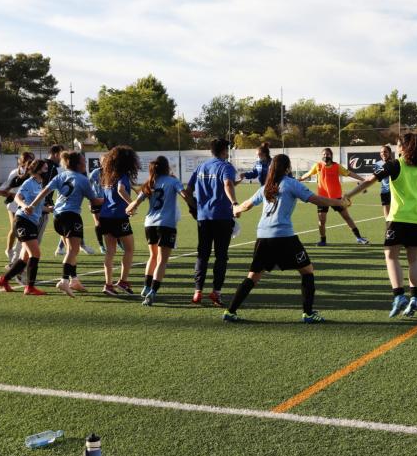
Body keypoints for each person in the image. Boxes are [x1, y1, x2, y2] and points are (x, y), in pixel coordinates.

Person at [225, 154, 349, 323]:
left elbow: (247, 204)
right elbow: (315, 199)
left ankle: (230, 311)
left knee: (252, 277)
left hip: (263, 237)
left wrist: (236, 209)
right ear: (287, 168)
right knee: (307, 271)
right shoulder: (291, 184)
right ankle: (308, 313)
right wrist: (338, 203)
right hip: (284, 237)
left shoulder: (266, 186)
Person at [346, 133, 417, 318]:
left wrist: (349, 195)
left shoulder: (396, 164)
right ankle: (415, 298)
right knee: (415, 259)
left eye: (397, 144)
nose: (396, 147)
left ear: (403, 147)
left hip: (398, 219)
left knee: (391, 256)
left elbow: (369, 180)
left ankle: (399, 295)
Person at [26, 151, 102, 297]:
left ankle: (74, 280)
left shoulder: (61, 175)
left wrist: (32, 205)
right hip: (71, 216)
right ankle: (64, 280)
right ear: (78, 165)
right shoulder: (82, 179)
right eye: (83, 162)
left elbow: (45, 191)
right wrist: (111, 200)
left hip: (58, 216)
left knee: (70, 250)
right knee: (73, 250)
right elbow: (94, 201)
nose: (85, 164)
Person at [127, 156, 191, 306]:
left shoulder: (150, 183)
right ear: (167, 167)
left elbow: (135, 203)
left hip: (149, 224)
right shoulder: (173, 181)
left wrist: (128, 210)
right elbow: (185, 196)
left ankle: (146, 286)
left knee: (153, 256)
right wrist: (195, 206)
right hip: (166, 224)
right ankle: (152, 292)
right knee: (162, 260)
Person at [186, 138, 239, 307]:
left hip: (203, 218)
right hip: (222, 217)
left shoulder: (201, 167)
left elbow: (188, 191)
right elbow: (227, 184)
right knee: (221, 256)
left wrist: (195, 207)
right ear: (224, 150)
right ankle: (216, 292)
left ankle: (197, 292)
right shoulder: (226, 166)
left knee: (203, 254)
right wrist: (235, 203)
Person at [0, 159, 56, 296]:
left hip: (31, 223)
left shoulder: (40, 185)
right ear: (38, 170)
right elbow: (17, 197)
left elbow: (37, 207)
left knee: (25, 257)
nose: (47, 170)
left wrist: (49, 209)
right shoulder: (29, 182)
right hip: (22, 221)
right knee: (36, 254)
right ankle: (30, 287)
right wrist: (24, 206)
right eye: (45, 168)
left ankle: (4, 280)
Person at [298, 147, 369, 246]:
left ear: (331, 155)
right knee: (321, 221)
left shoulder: (337, 166)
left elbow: (349, 173)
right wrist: (298, 179)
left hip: (336, 198)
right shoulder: (318, 166)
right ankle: (323, 240)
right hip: (322, 199)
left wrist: (362, 179)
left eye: (327, 154)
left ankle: (359, 237)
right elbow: (308, 174)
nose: (325, 156)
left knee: (347, 217)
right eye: (324, 154)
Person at [98, 146, 139, 296]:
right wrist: (132, 204)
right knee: (129, 249)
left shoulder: (108, 176)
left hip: (105, 215)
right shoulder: (122, 175)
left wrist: (134, 189)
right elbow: (121, 190)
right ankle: (123, 281)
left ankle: (108, 284)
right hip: (118, 216)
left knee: (110, 251)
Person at [1, 151, 35, 265]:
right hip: (14, 204)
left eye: (32, 160)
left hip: (25, 205)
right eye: (28, 160)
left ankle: (17, 254)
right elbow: (8, 187)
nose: (30, 163)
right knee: (14, 229)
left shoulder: (32, 174)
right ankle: (10, 250)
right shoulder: (15, 172)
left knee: (21, 231)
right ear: (22, 161)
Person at [374, 145, 393, 223]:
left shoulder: (394, 163)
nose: (383, 153)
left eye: (385, 152)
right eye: (381, 152)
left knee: (395, 214)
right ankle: (389, 229)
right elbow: (376, 178)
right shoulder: (378, 164)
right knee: (387, 216)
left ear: (389, 153)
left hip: (394, 192)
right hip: (384, 191)